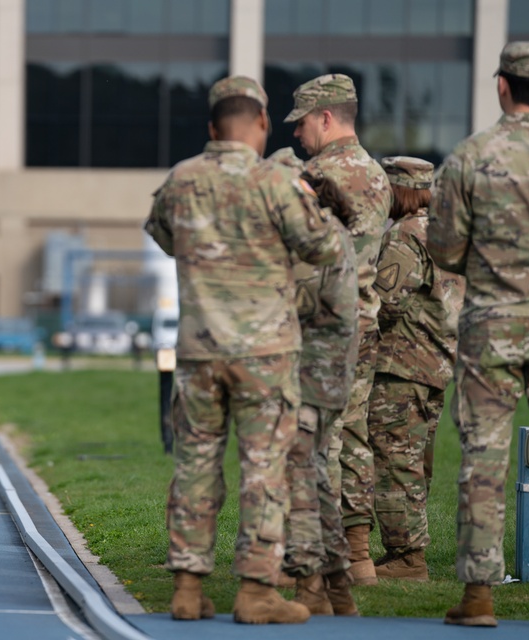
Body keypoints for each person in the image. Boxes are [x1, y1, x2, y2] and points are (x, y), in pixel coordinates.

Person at [145, 75, 343, 625]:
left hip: (199, 351)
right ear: (261, 123)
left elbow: (164, 235)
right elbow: (324, 247)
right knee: (264, 472)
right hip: (265, 352)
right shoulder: (275, 181)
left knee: (195, 466)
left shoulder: (181, 180)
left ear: (212, 127)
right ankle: (256, 591)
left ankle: (187, 588)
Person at [429, 41, 529, 627]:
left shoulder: (471, 156)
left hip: (491, 330)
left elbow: (445, 248)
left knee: (482, 459)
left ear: (502, 86)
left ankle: (479, 596)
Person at [284, 74, 393, 585]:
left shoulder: (316, 176)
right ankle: (358, 555)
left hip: (318, 325)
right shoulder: (377, 174)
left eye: (302, 123)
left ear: (326, 118)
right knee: (353, 438)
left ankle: (310, 559)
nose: (297, 134)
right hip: (364, 323)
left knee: (313, 441)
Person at [268, 148, 360, 616]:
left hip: (312, 374)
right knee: (317, 476)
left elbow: (299, 300)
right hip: (325, 374)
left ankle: (309, 584)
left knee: (297, 471)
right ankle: (338, 586)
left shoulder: (316, 235)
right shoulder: (328, 229)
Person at [368, 157, 464, 581]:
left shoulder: (406, 235)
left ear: (400, 191)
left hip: (402, 367)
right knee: (415, 460)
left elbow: (385, 302)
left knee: (392, 460)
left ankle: (407, 557)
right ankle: (409, 550)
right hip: (438, 365)